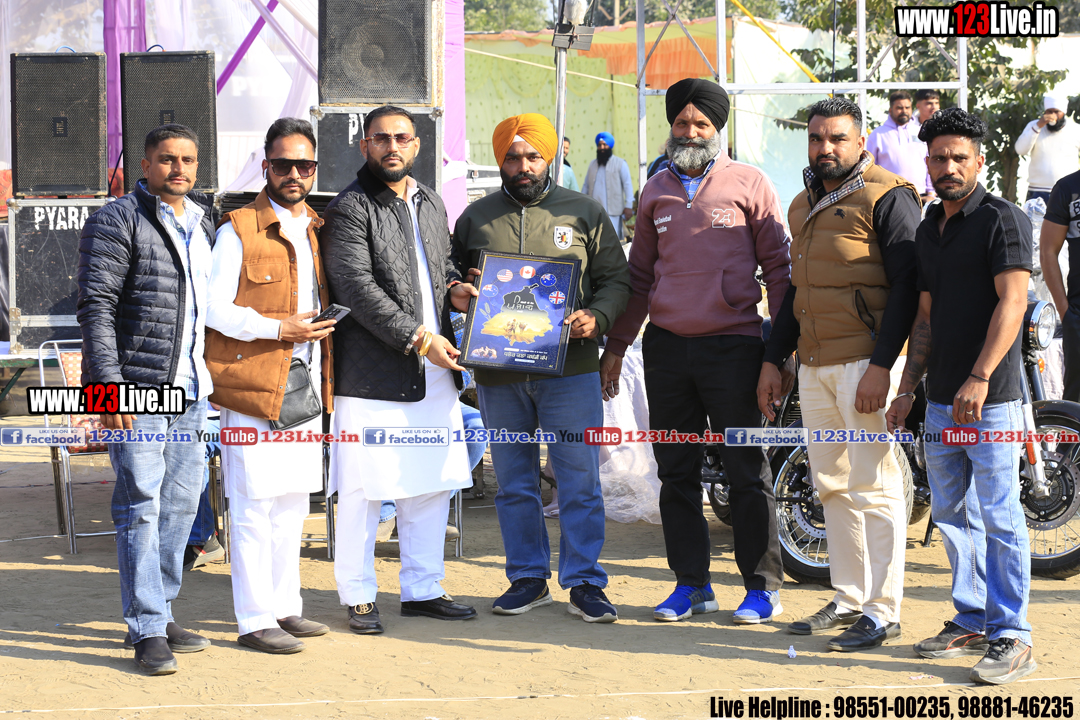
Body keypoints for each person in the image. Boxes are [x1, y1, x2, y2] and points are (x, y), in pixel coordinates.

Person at [602, 78, 790, 625]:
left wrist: (779, 354)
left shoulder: (750, 183)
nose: (690, 132)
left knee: (745, 470)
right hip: (666, 349)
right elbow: (640, 278)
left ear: (717, 128)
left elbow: (779, 272)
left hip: (736, 346)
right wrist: (617, 347)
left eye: (701, 123)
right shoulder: (655, 190)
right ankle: (692, 585)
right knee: (675, 471)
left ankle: (761, 588)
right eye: (682, 123)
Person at [453, 113, 631, 623]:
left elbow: (616, 280)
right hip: (499, 375)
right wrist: (456, 289)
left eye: (533, 156)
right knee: (514, 483)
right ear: (500, 161)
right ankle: (528, 578)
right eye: (513, 157)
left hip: (571, 371)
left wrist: (597, 317)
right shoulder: (475, 218)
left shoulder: (585, 212)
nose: (523, 166)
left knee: (579, 481)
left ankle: (585, 581)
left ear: (549, 157)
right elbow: (450, 275)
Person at [759, 97, 921, 650]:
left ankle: (883, 610)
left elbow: (908, 289)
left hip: (865, 365)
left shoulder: (889, 196)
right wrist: (773, 359)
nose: (824, 148)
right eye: (816, 138)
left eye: (836, 138)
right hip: (814, 365)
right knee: (831, 485)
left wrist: (882, 366)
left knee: (874, 485)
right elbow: (795, 292)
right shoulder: (803, 203)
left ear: (861, 142)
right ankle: (849, 597)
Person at [887, 107, 1037, 685]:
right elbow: (924, 316)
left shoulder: (1003, 219)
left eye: (958, 158)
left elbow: (1014, 302)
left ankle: (1013, 635)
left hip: (991, 400)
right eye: (938, 158)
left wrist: (979, 376)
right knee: (952, 516)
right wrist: (908, 388)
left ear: (978, 161)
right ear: (926, 163)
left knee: (999, 516)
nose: (948, 167)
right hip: (941, 401)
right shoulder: (930, 227)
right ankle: (972, 619)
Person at [321, 105, 479, 635]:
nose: (392, 146)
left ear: (417, 144)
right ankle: (359, 595)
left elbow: (441, 267)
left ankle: (423, 588)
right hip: (373, 376)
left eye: (402, 138)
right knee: (364, 490)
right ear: (364, 144)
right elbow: (356, 289)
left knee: (431, 485)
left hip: (434, 371)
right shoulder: (350, 207)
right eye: (381, 138)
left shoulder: (430, 201)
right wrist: (419, 338)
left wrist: (455, 290)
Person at [77, 124, 214, 675]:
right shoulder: (116, 219)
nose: (178, 169)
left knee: (181, 505)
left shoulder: (204, 222)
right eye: (167, 159)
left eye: (188, 160)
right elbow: (96, 308)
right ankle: (148, 628)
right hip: (136, 389)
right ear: (145, 164)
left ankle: (162, 609)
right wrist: (106, 389)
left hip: (193, 389)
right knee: (140, 505)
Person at [205, 117, 335, 654]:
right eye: (283, 164)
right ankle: (255, 619)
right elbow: (213, 309)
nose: (294, 174)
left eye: (304, 165)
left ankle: (285, 607)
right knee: (253, 505)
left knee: (292, 505)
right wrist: (279, 329)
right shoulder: (237, 229)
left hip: (306, 386)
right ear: (266, 166)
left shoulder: (319, 229)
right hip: (254, 383)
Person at [1040, 169, 1080, 401]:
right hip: (1078, 316)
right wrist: (1066, 313)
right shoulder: (1067, 187)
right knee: (1076, 405)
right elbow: (1048, 251)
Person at [866, 90, 935, 201]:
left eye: (907, 107)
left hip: (920, 195)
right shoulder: (877, 135)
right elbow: (870, 168)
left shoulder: (920, 131)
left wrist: (931, 193)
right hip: (889, 195)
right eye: (899, 108)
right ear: (890, 110)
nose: (904, 111)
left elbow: (930, 162)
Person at [1015, 94, 1080, 203]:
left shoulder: (1075, 129)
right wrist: (1038, 126)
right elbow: (1020, 150)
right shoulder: (1034, 126)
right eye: (1049, 111)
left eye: (1056, 112)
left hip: (1067, 191)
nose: (1052, 115)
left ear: (1063, 112)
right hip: (1037, 191)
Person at [582, 131, 634, 239]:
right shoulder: (592, 164)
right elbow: (586, 186)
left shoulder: (620, 163)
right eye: (599, 145)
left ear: (610, 146)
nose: (602, 147)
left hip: (613, 213)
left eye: (605, 145)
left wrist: (629, 206)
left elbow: (628, 185)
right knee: (595, 240)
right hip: (594, 212)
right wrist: (582, 203)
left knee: (613, 240)